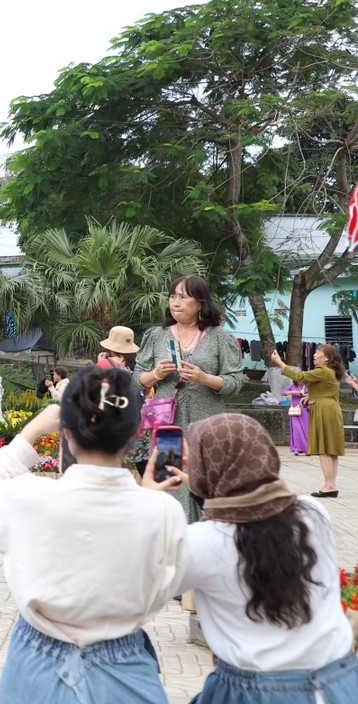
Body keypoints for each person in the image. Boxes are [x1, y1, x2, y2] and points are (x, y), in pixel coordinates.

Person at [0, 367, 187, 704]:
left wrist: (31, 432)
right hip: (126, 668)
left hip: (35, 664)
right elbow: (166, 584)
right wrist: (150, 499)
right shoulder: (164, 512)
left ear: (66, 433)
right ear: (133, 433)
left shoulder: (28, 497)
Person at [143, 413, 358, 703]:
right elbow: (248, 508)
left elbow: (137, 591)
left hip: (255, 691)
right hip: (340, 681)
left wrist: (146, 503)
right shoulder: (313, 513)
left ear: (207, 469)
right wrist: (203, 486)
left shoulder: (202, 541)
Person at [133, 274, 244, 521]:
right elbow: (137, 378)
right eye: (172, 296)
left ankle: (209, 537)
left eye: (183, 297)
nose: (175, 302)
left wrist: (203, 378)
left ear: (201, 303)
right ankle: (171, 537)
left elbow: (235, 383)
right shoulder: (155, 335)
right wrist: (155, 373)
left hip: (206, 425)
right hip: (167, 425)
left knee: (207, 480)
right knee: (170, 479)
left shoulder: (220, 337)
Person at [269, 344, 345, 497]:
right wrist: (311, 396)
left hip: (324, 411)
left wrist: (279, 362)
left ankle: (329, 486)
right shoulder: (331, 372)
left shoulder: (322, 371)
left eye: (318, 353)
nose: (314, 355)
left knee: (324, 449)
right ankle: (331, 485)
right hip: (331, 409)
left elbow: (300, 378)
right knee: (331, 450)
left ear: (327, 358)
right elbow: (329, 391)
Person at [283, 380, 308, 455]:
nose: (301, 382)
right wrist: (293, 392)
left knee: (306, 429)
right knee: (296, 429)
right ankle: (297, 448)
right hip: (295, 410)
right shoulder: (292, 386)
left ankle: (307, 448)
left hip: (305, 409)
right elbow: (283, 393)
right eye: (299, 381)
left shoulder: (308, 386)